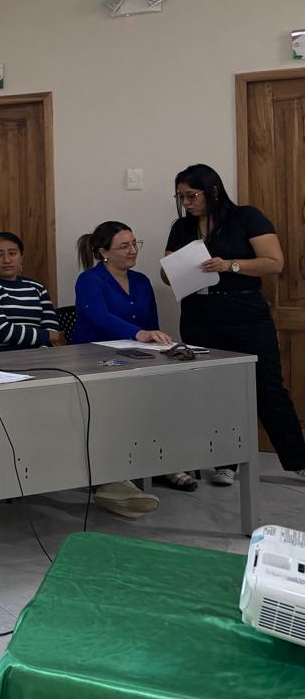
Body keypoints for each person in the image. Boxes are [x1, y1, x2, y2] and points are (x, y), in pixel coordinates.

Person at [163, 163, 305, 485]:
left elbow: (274, 262)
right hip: (199, 314)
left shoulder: (246, 217)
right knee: (215, 389)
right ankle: (225, 461)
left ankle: (297, 459)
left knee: (268, 386)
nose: (186, 203)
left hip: (244, 313)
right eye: (180, 197)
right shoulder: (182, 227)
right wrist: (173, 269)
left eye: (191, 195)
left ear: (213, 191)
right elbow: (166, 271)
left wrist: (230, 265)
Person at [69, 221, 169, 517]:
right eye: (124, 246)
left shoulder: (141, 281)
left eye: (134, 244)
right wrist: (138, 334)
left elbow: (151, 322)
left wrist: (158, 342)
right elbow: (98, 316)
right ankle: (112, 480)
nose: (132, 250)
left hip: (137, 358)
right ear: (104, 252)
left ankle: (160, 465)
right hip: (94, 358)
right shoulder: (90, 280)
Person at [0, 232, 64, 351]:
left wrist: (42, 351)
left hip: (40, 355)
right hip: (1, 356)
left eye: (12, 253)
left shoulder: (37, 287)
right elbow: (3, 331)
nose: (7, 260)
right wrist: (48, 336)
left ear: (22, 256)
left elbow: (52, 328)